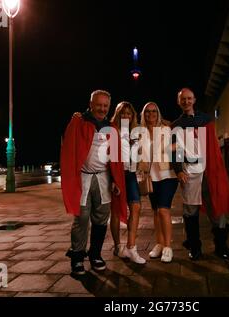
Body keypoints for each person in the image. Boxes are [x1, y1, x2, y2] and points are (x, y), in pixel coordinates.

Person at [61, 90, 127, 276]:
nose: (102, 109)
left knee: (101, 219)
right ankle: (77, 257)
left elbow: (115, 157)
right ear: (91, 104)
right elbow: (70, 150)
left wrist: (115, 180)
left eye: (106, 106)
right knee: (81, 218)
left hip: (104, 178)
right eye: (99, 105)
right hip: (83, 177)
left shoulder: (111, 127)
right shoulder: (79, 121)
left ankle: (96, 255)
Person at [171, 88, 229, 262]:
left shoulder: (206, 120)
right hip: (189, 172)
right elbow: (175, 151)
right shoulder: (176, 125)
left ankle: (221, 246)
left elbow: (214, 147)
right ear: (179, 102)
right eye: (183, 99)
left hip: (210, 171)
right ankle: (194, 247)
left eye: (189, 98)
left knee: (217, 207)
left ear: (194, 99)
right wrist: (178, 170)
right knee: (190, 211)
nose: (186, 102)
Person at [138, 102, 179, 263]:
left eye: (154, 111)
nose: (151, 114)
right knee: (155, 211)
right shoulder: (140, 132)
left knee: (163, 210)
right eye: (147, 112)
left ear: (158, 112)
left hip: (168, 175)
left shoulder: (166, 128)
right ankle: (159, 244)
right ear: (143, 114)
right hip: (150, 177)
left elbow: (179, 145)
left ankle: (168, 247)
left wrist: (170, 149)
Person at [110, 101, 146, 264]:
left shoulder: (135, 132)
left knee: (136, 206)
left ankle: (131, 247)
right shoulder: (112, 130)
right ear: (118, 114)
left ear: (133, 116)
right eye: (123, 113)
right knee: (116, 211)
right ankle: (118, 247)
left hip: (131, 174)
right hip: (117, 174)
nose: (126, 115)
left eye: (128, 113)